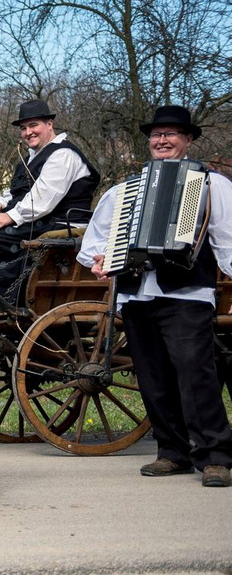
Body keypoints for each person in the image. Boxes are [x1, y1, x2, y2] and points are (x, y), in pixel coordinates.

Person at [77, 105, 232, 488]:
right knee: (152, 377)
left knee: (195, 374)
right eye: (156, 135)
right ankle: (172, 452)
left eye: (171, 134)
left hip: (188, 292)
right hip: (135, 295)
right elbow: (92, 243)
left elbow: (228, 241)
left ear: (188, 140)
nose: (161, 140)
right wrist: (99, 260)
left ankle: (216, 456)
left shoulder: (211, 185)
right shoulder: (126, 190)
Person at [0, 99, 100, 299]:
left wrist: (11, 215)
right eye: (23, 128)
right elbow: (20, 190)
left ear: (49, 124)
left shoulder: (63, 154)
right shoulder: (31, 157)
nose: (28, 132)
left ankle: (9, 297)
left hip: (61, 221)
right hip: (39, 220)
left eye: (33, 125)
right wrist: (1, 203)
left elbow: (43, 198)